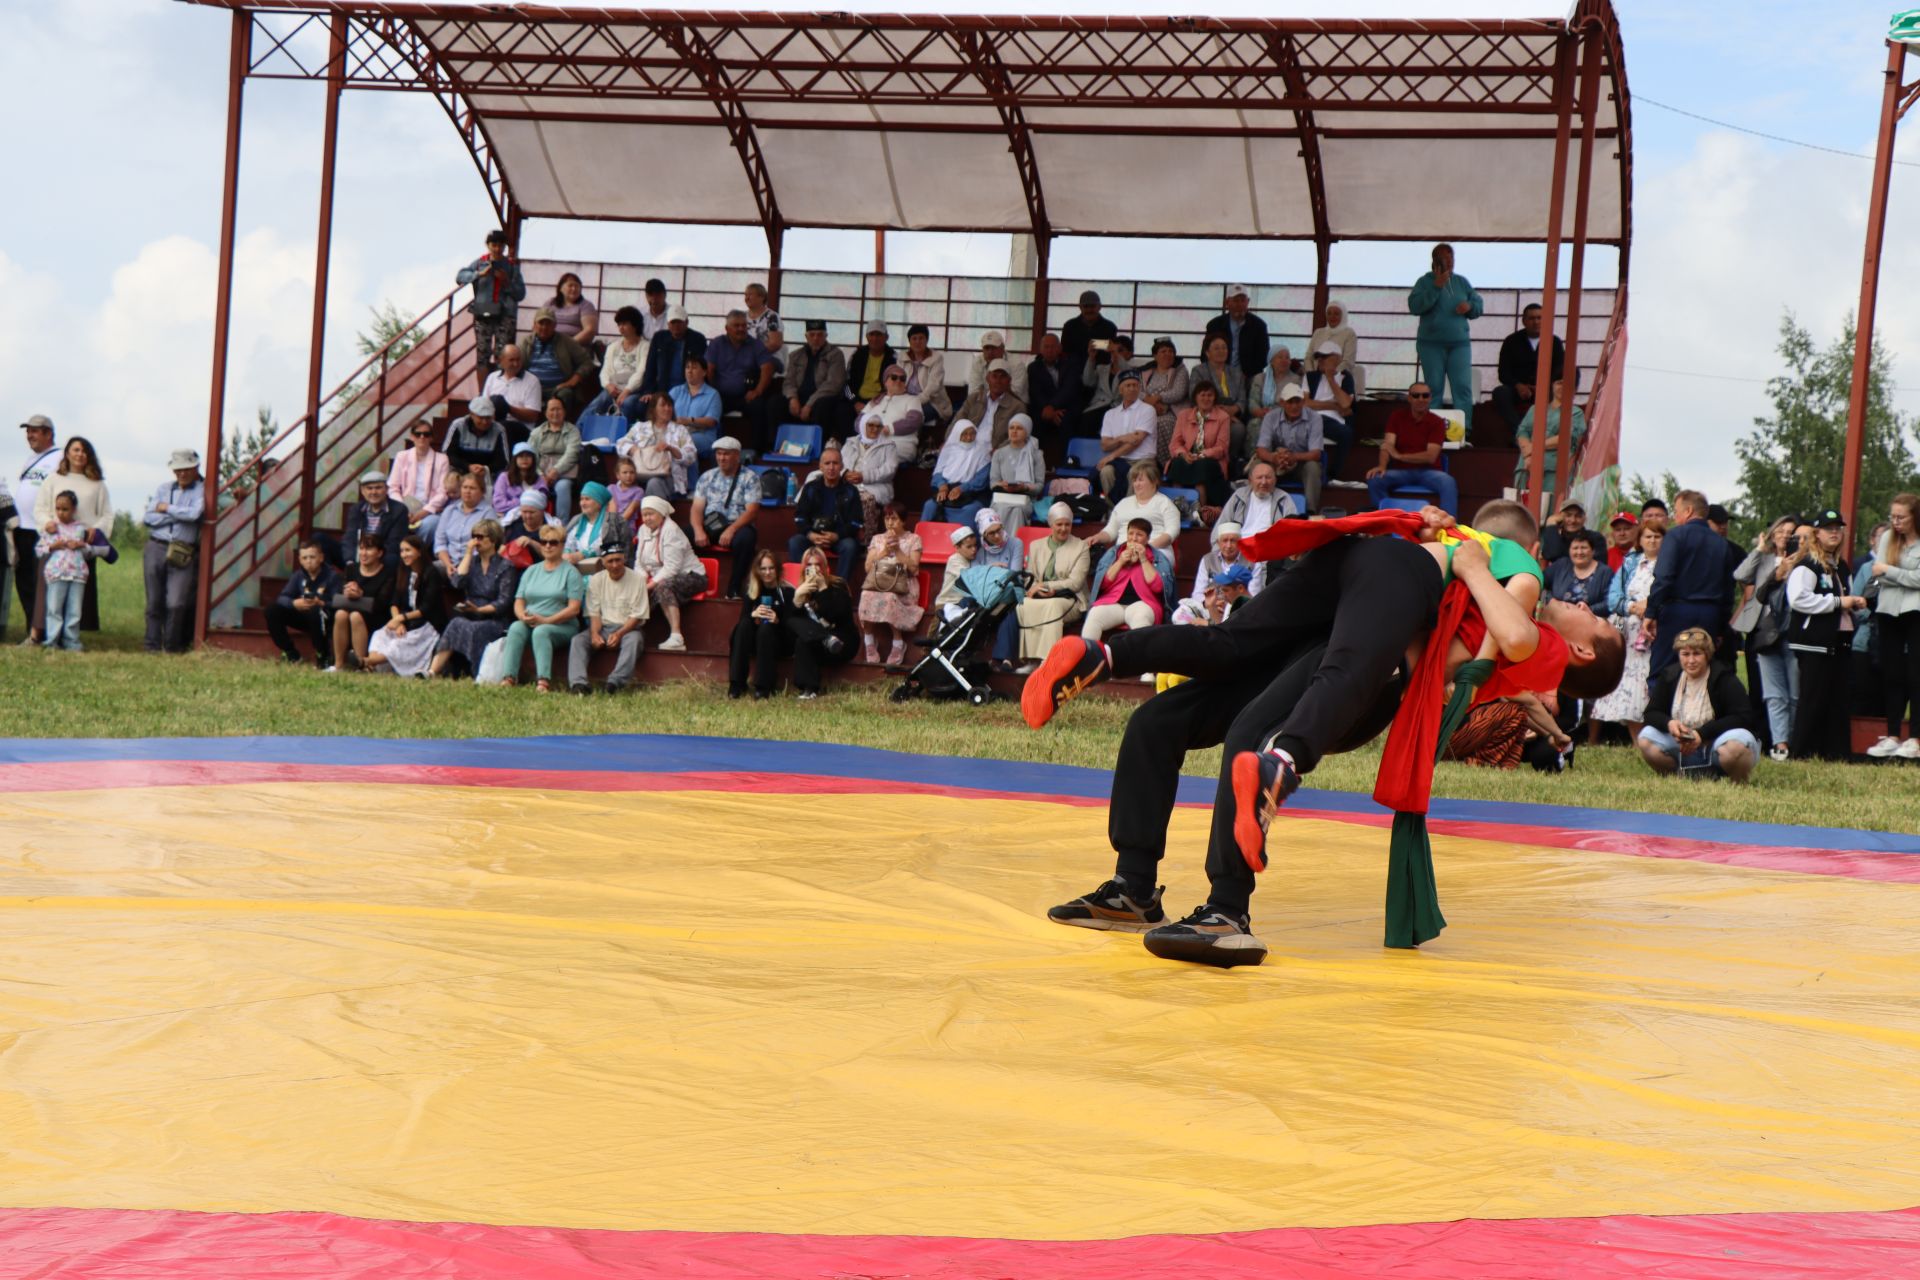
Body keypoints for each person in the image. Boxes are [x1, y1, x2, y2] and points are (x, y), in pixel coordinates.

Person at [1027, 506, 1623, 965]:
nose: (1579, 600)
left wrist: (1460, 562)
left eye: (1594, 616)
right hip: (1360, 612)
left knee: (1214, 689)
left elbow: (1486, 645)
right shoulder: (1509, 586)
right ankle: (1150, 888)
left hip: (1353, 579)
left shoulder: (1515, 593)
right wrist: (1459, 566)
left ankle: (1113, 653)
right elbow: (1450, 658)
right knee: (1211, 726)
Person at [1786, 510, 1865, 760]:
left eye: (1838, 528)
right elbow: (1798, 599)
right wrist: (1839, 602)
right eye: (1828, 528)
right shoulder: (1807, 564)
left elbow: (1845, 597)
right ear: (1816, 534)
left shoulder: (1841, 565)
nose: (1834, 533)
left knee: (1839, 698)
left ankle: (1836, 752)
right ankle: (1801, 751)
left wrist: (1855, 603)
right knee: (1813, 698)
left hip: (1840, 639)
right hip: (1814, 642)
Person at [1637, 629, 1760, 783]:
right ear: (1678, 655)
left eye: (1697, 654)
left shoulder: (1724, 677)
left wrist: (1702, 734)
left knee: (1739, 744)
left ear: (1707, 655)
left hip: (1716, 743)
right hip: (1682, 745)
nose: (1691, 660)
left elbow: (1744, 717)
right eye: (1685, 654)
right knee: (1646, 738)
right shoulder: (1669, 676)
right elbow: (1651, 713)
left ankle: (1739, 782)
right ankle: (1677, 777)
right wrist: (1669, 723)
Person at [1645, 489, 1732, 677]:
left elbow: (1664, 578)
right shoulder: (1721, 544)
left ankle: (1662, 706)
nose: (1675, 516)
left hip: (1677, 612)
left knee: (1664, 673)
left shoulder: (1675, 536)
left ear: (1689, 510)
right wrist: (1721, 627)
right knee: (1701, 672)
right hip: (1710, 614)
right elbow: (1728, 590)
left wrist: (1650, 612)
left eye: (1676, 511)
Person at [1734, 515, 1801, 757]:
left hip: (1790, 628)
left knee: (1792, 689)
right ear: (1772, 534)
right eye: (1780, 531)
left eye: (1790, 532)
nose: (1784, 536)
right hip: (1761, 629)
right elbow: (1740, 576)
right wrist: (1759, 549)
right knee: (1761, 687)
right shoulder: (1764, 558)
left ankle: (1788, 740)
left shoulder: (1802, 560)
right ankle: (1764, 737)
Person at [1593, 521, 1664, 739]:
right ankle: (1636, 740)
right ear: (1640, 540)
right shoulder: (1631, 562)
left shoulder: (1669, 563)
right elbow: (1614, 598)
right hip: (1630, 632)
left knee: (1651, 683)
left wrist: (1651, 608)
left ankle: (1655, 736)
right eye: (1648, 536)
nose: (1652, 541)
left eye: (1656, 536)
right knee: (1629, 684)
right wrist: (1633, 607)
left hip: (1657, 631)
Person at [500, 521, 586, 691]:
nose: (547, 546)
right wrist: (522, 616)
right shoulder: (531, 570)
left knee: (541, 632)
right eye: (544, 542)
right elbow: (519, 600)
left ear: (562, 546)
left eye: (553, 542)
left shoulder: (571, 572)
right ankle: (509, 677)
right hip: (532, 619)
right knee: (516, 628)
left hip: (562, 624)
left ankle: (543, 681)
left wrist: (547, 620)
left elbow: (574, 609)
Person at [1407, 242, 1483, 434]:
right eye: (1444, 259)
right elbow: (1415, 306)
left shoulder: (1461, 282)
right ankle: (1431, 431)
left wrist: (1470, 307)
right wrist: (1436, 287)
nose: (1449, 263)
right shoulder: (1424, 282)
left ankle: (1463, 431)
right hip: (1431, 344)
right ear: (1434, 261)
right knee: (1433, 388)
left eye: (1451, 259)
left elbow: (1478, 303)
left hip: (1459, 344)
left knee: (1463, 387)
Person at [1868, 493, 1920, 758]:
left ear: (1915, 517)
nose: (1895, 522)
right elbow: (1876, 572)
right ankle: (1891, 734)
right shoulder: (1888, 537)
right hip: (1888, 610)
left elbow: (1889, 572)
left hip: (1915, 611)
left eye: (1901, 517)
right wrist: (1902, 576)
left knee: (1916, 674)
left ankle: (1915, 737)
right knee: (1892, 674)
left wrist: (1890, 572)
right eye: (1893, 517)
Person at [430, 518, 516, 679]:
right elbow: (457, 582)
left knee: (476, 629)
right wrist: (468, 554)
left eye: (480, 537)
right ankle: (432, 671)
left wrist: (480, 610)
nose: (475, 541)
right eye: (474, 536)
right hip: (470, 612)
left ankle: (478, 674)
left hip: (494, 618)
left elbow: (504, 601)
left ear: (493, 540)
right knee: (456, 623)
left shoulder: (506, 567)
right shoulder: (472, 562)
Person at [140, 447, 205, 654]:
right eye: (178, 470)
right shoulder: (163, 488)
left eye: (186, 469)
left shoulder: (202, 489)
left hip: (183, 549)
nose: (182, 474)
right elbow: (149, 518)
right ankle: (151, 644)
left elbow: (195, 514)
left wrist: (167, 508)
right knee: (154, 601)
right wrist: (179, 514)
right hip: (156, 546)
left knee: (176, 602)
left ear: (195, 468)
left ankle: (172, 645)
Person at [1014, 502, 1092, 669]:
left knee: (1053, 605)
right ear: (1051, 524)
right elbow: (1031, 577)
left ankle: (1048, 660)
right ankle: (1031, 660)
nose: (1063, 528)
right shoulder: (1036, 546)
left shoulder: (1081, 547)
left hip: (1071, 598)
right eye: (1059, 524)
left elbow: (1075, 583)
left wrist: (1048, 586)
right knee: (1024, 604)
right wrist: (1039, 590)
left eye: (1067, 524)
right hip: (1041, 595)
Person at [568, 542, 649, 695]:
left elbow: (637, 616)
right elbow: (594, 613)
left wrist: (619, 634)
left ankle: (615, 683)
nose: (615, 565)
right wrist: (594, 634)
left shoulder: (637, 579)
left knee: (634, 640)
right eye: (610, 561)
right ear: (603, 563)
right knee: (578, 640)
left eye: (618, 560)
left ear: (624, 559)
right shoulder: (596, 580)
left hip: (628, 629)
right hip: (603, 627)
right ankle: (579, 684)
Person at [1364, 382, 1456, 514]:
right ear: (1409, 398)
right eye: (1416, 395)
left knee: (1448, 482)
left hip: (1429, 472)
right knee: (1375, 479)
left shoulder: (1437, 422)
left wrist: (1400, 456)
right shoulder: (1396, 416)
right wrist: (1382, 466)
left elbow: (1430, 457)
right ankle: (1387, 521)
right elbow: (1387, 445)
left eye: (1425, 396)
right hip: (1401, 471)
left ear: (1430, 398)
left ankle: (1449, 528)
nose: (1421, 399)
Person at [365, 535, 450, 678]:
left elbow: (426, 608)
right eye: (402, 551)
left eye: (408, 550)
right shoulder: (403, 571)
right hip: (405, 620)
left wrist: (401, 618)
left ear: (419, 552)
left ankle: (365, 661)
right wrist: (398, 622)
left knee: (397, 646)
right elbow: (394, 603)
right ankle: (371, 665)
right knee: (380, 635)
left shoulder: (431, 573)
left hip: (426, 624)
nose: (404, 554)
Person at [689, 437, 762, 598]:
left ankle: (734, 589)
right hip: (710, 524)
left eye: (726, 454)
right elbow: (696, 508)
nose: (721, 458)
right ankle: (688, 583)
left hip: (737, 526)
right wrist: (698, 530)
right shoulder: (707, 476)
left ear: (737, 456)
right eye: (719, 454)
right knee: (680, 534)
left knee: (746, 539)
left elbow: (752, 511)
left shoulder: (750, 478)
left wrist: (731, 529)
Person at [1082, 516, 1175, 643]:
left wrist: (1143, 559)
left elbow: (1158, 587)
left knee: (1140, 620)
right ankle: (1089, 657)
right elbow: (1102, 585)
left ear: (1147, 539)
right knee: (1094, 615)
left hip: (1143, 603)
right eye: (1131, 533)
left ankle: (1140, 661)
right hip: (1114, 603)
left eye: (1139, 534)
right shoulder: (1114, 553)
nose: (1134, 538)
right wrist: (1120, 562)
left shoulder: (1157, 557)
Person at [632, 494, 705, 652]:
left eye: (651, 514)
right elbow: (639, 562)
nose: (647, 518)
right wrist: (643, 580)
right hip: (659, 576)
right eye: (644, 514)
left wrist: (649, 585)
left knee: (662, 587)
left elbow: (672, 568)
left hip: (692, 575)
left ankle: (676, 637)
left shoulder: (671, 530)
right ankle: (631, 631)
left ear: (661, 514)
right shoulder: (643, 530)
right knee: (634, 587)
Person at [785, 544, 857, 699]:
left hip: (841, 642)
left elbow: (836, 615)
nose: (814, 569)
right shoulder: (800, 589)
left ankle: (826, 639)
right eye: (809, 565)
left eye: (818, 565)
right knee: (799, 633)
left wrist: (823, 588)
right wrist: (798, 599)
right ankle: (809, 689)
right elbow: (790, 623)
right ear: (803, 568)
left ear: (825, 567)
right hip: (818, 641)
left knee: (805, 637)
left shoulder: (839, 585)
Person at [1214, 462, 1298, 593]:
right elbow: (1219, 530)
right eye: (1259, 477)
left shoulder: (1284, 499)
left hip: (1268, 557)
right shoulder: (1238, 497)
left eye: (1268, 477)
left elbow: (1293, 533)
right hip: (1237, 553)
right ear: (1250, 480)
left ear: (1275, 480)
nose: (1264, 482)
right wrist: (1219, 557)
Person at [12, 414, 60, 642]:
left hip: (42, 530)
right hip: (22, 528)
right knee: (23, 582)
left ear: (48, 433)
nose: (30, 435)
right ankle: (31, 628)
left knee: (39, 582)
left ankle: (44, 630)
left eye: (35, 431)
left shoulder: (59, 457)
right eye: (28, 431)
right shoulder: (30, 459)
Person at [857, 503, 924, 667]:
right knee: (866, 595)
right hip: (879, 581)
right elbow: (867, 567)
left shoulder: (914, 539)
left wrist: (899, 551)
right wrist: (884, 552)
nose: (890, 522)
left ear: (903, 521)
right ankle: (869, 641)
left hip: (904, 585)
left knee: (889, 597)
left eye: (894, 518)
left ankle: (898, 643)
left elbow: (914, 569)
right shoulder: (877, 539)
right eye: (887, 518)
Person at [457, 230, 526, 385]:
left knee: (502, 354)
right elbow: (460, 276)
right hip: (483, 313)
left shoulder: (511, 266)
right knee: (482, 355)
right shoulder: (479, 263)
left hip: (505, 315)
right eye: (494, 245)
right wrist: (479, 274)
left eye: (500, 245)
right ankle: (482, 395)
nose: (497, 249)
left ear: (505, 247)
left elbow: (521, 293)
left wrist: (506, 281)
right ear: (487, 245)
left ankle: (499, 390)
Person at [789, 445, 863, 580]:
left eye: (835, 463)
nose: (831, 467)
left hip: (839, 538)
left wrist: (836, 536)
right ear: (820, 467)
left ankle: (839, 588)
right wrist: (810, 534)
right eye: (827, 463)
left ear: (842, 466)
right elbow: (799, 517)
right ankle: (802, 584)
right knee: (795, 542)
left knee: (850, 546)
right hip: (813, 535)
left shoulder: (851, 491)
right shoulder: (810, 488)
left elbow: (856, 522)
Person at [266, 539, 342, 667]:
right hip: (303, 615)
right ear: (300, 560)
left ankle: (322, 655)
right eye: (305, 558)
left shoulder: (332, 576)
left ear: (321, 558)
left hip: (325, 618)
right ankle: (291, 653)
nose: (309, 561)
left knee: (314, 611)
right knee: (272, 610)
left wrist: (321, 603)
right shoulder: (298, 576)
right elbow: (282, 597)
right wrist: (294, 603)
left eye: (312, 557)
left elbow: (338, 602)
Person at [707, 309, 776, 447]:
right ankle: (714, 448)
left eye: (744, 326)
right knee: (709, 406)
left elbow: (768, 367)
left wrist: (757, 391)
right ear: (727, 328)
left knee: (759, 405)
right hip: (720, 395)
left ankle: (757, 450)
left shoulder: (755, 344)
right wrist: (711, 392)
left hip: (745, 395)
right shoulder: (716, 343)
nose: (741, 329)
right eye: (736, 326)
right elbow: (708, 369)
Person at [728, 549, 792, 699]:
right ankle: (737, 683)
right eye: (763, 569)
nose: (767, 572)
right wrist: (753, 615)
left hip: (779, 641)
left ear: (777, 569)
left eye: (771, 568)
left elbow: (791, 625)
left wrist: (777, 620)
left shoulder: (787, 591)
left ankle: (764, 686)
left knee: (766, 628)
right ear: (757, 570)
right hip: (755, 641)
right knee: (743, 626)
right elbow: (743, 619)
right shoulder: (752, 590)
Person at [34, 490, 94, 651]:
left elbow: (90, 552)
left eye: (65, 509)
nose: (61, 513)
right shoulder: (52, 528)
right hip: (56, 572)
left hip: (77, 573)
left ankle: (71, 641)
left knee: (74, 610)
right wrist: (53, 546)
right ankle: (52, 640)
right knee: (54, 608)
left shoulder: (81, 529)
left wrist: (81, 545)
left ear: (74, 509)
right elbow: (39, 550)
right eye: (58, 509)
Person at [969, 507, 1027, 671]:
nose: (997, 536)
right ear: (983, 535)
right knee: (969, 604)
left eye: (999, 530)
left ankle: (1006, 660)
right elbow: (975, 577)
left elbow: (1014, 573)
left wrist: (988, 574)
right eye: (991, 533)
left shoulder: (1015, 543)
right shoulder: (977, 550)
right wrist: (992, 569)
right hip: (985, 594)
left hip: (1008, 591)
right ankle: (966, 653)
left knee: (1010, 609)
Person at [1253, 385, 1326, 514]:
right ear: (1282, 403)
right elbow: (1261, 449)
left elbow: (1316, 454)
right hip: (1277, 463)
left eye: (1297, 401)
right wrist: (1274, 458)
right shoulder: (1271, 417)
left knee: (1313, 467)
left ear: (1303, 402)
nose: (1294, 406)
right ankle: (1258, 507)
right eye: (1290, 402)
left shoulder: (1315, 418)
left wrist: (1294, 457)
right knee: (1259, 466)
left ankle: (1310, 511)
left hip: (1301, 464)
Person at [1492, 303, 1565, 432]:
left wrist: (1544, 386)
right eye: (1531, 318)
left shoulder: (1555, 342)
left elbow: (1560, 371)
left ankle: (1544, 434)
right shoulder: (1511, 341)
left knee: (1556, 394)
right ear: (1524, 321)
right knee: (1500, 393)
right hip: (1518, 389)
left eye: (1539, 318)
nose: (1536, 322)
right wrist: (1518, 385)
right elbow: (1503, 372)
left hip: (1546, 389)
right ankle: (1520, 431)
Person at [329, 533, 396, 673]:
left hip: (376, 616)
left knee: (355, 616)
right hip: (352, 610)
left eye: (369, 549)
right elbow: (340, 594)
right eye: (361, 548)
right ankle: (338, 665)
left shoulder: (388, 573)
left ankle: (361, 665)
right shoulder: (351, 569)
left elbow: (382, 603)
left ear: (379, 553)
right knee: (341, 614)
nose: (364, 553)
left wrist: (361, 595)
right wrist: (347, 592)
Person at [1512, 379, 1586, 503]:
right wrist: (1527, 455)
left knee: (1549, 512)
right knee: (1520, 512)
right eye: (1559, 383)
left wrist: (1534, 447)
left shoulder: (1576, 413)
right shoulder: (1535, 409)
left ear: (1575, 389)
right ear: (1552, 385)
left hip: (1553, 470)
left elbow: (1566, 437)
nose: (1562, 387)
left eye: (1567, 384)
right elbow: (1522, 431)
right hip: (1526, 466)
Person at [1165, 381, 1232, 515]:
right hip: (1187, 457)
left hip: (1211, 459)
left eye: (1210, 395)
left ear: (1215, 398)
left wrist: (1202, 454)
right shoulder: (1184, 415)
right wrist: (1184, 454)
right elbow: (1175, 443)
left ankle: (1200, 511)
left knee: (1202, 466)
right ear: (1195, 397)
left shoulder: (1223, 417)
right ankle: (1176, 509)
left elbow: (1222, 447)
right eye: (1202, 395)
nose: (1206, 399)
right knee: (1178, 463)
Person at [517, 309, 597, 419]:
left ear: (555, 325)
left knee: (566, 394)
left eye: (548, 323)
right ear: (534, 324)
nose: (544, 327)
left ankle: (559, 429)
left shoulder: (566, 341)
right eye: (541, 323)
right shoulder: (526, 342)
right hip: (531, 387)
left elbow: (587, 362)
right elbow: (515, 362)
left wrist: (571, 382)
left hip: (558, 388)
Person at [616, 395, 698, 500]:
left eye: (670, 406)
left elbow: (691, 455)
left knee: (654, 483)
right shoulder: (640, 427)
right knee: (623, 484)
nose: (667, 409)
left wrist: (671, 449)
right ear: (653, 409)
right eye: (663, 405)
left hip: (669, 477)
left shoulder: (680, 430)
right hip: (639, 473)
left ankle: (655, 514)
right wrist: (634, 450)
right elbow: (620, 444)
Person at [388, 419, 452, 551]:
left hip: (428, 511)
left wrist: (424, 512)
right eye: (418, 434)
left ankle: (415, 553)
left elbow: (443, 492)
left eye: (426, 434)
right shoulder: (402, 456)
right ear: (412, 437)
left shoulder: (442, 459)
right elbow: (393, 487)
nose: (422, 437)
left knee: (432, 524)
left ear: (431, 438)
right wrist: (403, 509)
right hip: (404, 508)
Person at [1095, 367, 1157, 502]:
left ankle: (1130, 514)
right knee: (1106, 472)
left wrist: (1111, 455)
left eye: (1135, 385)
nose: (1132, 388)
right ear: (1120, 389)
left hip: (1143, 460)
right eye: (1128, 385)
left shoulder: (1148, 410)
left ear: (1139, 388)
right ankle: (1113, 511)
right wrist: (1123, 438)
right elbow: (1105, 445)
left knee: (1133, 473)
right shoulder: (1110, 414)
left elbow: (1136, 441)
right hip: (1121, 460)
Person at [784, 319, 852, 441]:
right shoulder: (795, 355)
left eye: (820, 335)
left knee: (822, 406)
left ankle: (817, 446)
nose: (816, 338)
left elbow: (833, 384)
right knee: (775, 403)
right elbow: (789, 381)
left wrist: (809, 404)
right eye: (812, 335)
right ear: (806, 336)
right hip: (799, 397)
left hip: (822, 398)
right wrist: (792, 398)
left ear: (826, 336)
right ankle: (774, 445)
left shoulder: (835, 354)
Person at [1094, 460, 1181, 552]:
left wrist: (1146, 549)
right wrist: (1096, 538)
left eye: (1140, 480)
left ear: (1154, 481)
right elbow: (1110, 531)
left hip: (1155, 552)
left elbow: (1172, 532)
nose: (1136, 484)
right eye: (1134, 480)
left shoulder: (1165, 503)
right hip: (1123, 552)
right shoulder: (1123, 503)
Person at [636, 306, 708, 411]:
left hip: (688, 390)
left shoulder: (697, 339)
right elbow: (650, 368)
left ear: (686, 322)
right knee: (641, 406)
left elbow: (702, 368)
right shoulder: (659, 338)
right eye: (672, 322)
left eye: (679, 322)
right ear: (668, 324)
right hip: (662, 390)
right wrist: (648, 391)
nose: (676, 326)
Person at [922, 418, 991, 526]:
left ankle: (967, 542)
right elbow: (938, 473)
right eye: (964, 434)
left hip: (972, 494)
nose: (969, 437)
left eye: (972, 434)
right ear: (957, 435)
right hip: (947, 490)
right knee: (930, 505)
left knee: (970, 510)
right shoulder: (948, 449)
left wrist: (962, 488)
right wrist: (942, 485)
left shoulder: (982, 451)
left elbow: (981, 480)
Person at [843, 411, 903, 533]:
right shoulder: (850, 443)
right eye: (870, 425)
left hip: (875, 487)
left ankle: (866, 539)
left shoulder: (888, 446)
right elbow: (840, 462)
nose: (875, 429)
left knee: (863, 499)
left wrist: (864, 476)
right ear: (863, 425)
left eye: (878, 426)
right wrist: (845, 474)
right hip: (848, 483)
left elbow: (889, 470)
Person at [526, 397, 584, 524]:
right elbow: (530, 456)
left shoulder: (572, 431)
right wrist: (541, 476)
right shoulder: (536, 433)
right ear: (546, 413)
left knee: (563, 487)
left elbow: (572, 454)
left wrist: (555, 472)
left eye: (559, 409)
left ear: (564, 412)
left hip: (564, 473)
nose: (555, 413)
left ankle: (561, 526)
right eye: (552, 409)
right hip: (540, 474)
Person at [586, 305, 649, 422]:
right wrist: (608, 385)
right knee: (599, 402)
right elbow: (605, 371)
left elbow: (641, 372)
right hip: (613, 389)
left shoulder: (645, 346)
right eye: (619, 324)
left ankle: (621, 437)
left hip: (634, 391)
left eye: (624, 324)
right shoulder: (613, 347)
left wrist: (626, 391)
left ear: (635, 325)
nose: (621, 328)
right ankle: (578, 431)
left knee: (627, 403)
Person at [859, 365, 926, 465]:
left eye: (902, 379)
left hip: (898, 444)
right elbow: (858, 422)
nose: (898, 381)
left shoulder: (912, 400)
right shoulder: (875, 401)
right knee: (847, 453)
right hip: (870, 443)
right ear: (885, 382)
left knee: (871, 458)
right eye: (894, 377)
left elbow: (914, 421)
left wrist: (889, 429)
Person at [1203, 284, 1271, 382]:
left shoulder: (1259, 326)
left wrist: (1246, 374)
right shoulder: (1215, 325)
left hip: (1248, 377)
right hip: (1217, 375)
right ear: (1227, 302)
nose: (1240, 304)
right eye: (1236, 300)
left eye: (1243, 300)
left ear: (1248, 302)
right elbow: (1205, 355)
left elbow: (1264, 357)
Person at [561, 480, 629, 577]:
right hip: (577, 570)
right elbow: (569, 543)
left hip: (605, 572)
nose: (582, 503)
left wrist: (581, 555)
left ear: (599, 503)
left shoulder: (613, 521)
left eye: (587, 499)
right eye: (581, 499)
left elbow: (605, 542)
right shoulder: (577, 520)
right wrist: (567, 554)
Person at [989, 413, 1046, 529]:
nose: (1014, 431)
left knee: (1017, 511)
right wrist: (1001, 485)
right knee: (1001, 509)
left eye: (1019, 428)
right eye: (1011, 428)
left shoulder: (1036, 455)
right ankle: (1000, 545)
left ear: (1027, 432)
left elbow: (1039, 485)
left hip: (1024, 499)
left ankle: (1015, 546)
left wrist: (1024, 487)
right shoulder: (999, 453)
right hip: (1002, 498)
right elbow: (992, 483)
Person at [1139, 337, 1190, 465]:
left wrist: (1157, 398)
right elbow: (1137, 391)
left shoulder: (1180, 370)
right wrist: (1148, 401)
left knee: (1161, 423)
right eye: (1163, 351)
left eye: (1170, 351)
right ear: (1155, 355)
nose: (1168, 354)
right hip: (1147, 410)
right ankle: (1144, 462)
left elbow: (1178, 392)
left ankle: (1167, 463)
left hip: (1172, 412)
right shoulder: (1145, 372)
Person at [1027, 333, 1080, 453]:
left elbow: (1069, 389)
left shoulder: (1070, 364)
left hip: (1064, 406)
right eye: (1046, 347)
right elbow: (1035, 391)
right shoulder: (1033, 367)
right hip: (1043, 407)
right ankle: (1035, 459)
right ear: (1040, 349)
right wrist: (1046, 408)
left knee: (1066, 420)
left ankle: (1067, 460)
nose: (1050, 350)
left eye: (1053, 347)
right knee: (1034, 420)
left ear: (1059, 348)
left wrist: (1052, 407)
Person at [1190, 333, 1249, 442]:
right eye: (1216, 348)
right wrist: (1220, 413)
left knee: (1238, 429)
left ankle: (1230, 458)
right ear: (1207, 353)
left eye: (1224, 348)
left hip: (1232, 414)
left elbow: (1242, 399)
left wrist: (1234, 409)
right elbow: (1194, 396)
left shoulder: (1236, 372)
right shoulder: (1199, 371)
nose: (1221, 351)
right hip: (1207, 413)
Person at [1301, 342, 1355, 460]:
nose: (1320, 360)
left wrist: (1330, 378)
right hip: (1312, 417)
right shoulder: (1310, 376)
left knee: (1346, 434)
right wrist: (1335, 406)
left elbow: (1345, 404)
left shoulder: (1345, 377)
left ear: (1337, 359)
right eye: (1318, 357)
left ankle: (1333, 474)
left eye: (1324, 357)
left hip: (1335, 421)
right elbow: (1305, 403)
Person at [432, 471, 493, 576]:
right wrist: (448, 565)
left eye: (472, 488)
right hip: (449, 562)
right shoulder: (449, 510)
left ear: (482, 492)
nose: (467, 491)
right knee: (426, 570)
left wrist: (463, 565)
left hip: (474, 564)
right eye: (465, 487)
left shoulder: (488, 513)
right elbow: (440, 543)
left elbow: (486, 546)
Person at [957, 358, 1027, 450]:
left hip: (995, 453)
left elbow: (1018, 436)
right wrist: (948, 441)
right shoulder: (974, 399)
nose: (998, 381)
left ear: (1009, 380)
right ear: (987, 379)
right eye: (994, 376)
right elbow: (957, 422)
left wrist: (1000, 451)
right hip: (967, 446)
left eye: (1003, 377)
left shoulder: (1017, 407)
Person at [342, 470, 407, 567]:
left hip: (382, 556)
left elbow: (394, 543)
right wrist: (351, 561)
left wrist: (371, 556)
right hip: (359, 554)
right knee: (321, 540)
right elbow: (350, 538)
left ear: (386, 489)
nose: (374, 492)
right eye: (369, 488)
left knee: (393, 558)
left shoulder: (399, 510)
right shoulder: (356, 509)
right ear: (362, 491)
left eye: (378, 488)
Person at [1183, 522, 1254, 612]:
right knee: (1180, 614)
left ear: (1240, 543)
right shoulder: (1207, 559)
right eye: (1225, 540)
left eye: (1233, 541)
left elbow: (1254, 593)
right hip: (1210, 608)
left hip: (1239, 610)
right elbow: (1197, 594)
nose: (1228, 546)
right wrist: (1213, 605)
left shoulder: (1251, 560)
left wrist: (1228, 607)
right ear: (1218, 543)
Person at [1080, 333, 1141, 435]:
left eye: (1120, 350)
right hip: (1100, 405)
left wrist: (1115, 352)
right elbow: (1088, 381)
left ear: (1130, 354)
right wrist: (1091, 358)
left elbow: (1127, 372)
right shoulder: (1101, 368)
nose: (1114, 353)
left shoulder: (1132, 370)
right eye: (1112, 350)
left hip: (1119, 407)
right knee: (1086, 420)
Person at [669, 353, 724, 464]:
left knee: (685, 443)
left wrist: (688, 421)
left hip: (702, 436)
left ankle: (689, 480)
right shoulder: (676, 391)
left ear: (704, 372)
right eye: (687, 367)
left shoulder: (712, 394)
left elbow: (711, 421)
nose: (689, 371)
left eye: (694, 368)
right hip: (676, 433)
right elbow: (661, 411)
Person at [901, 324, 951, 436]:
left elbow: (934, 386)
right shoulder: (902, 357)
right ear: (909, 341)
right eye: (914, 338)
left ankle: (911, 445)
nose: (917, 342)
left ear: (926, 340)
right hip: (906, 400)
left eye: (921, 338)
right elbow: (897, 381)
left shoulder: (936, 358)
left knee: (912, 416)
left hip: (932, 402)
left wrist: (913, 402)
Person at [483, 343, 544, 435]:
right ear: (501, 361)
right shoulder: (492, 377)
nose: (516, 364)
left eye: (518, 360)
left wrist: (508, 408)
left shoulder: (532, 381)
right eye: (511, 360)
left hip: (521, 427)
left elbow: (533, 416)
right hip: (493, 423)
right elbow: (483, 406)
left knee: (501, 420)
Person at [444, 396, 510, 480]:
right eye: (481, 417)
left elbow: (503, 460)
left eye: (488, 418)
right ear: (471, 414)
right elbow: (448, 454)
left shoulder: (499, 430)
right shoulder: (458, 425)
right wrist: (468, 466)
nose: (485, 422)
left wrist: (486, 469)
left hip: (487, 475)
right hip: (460, 471)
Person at [1546, 530, 1613, 611]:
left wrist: (1588, 610)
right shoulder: (1561, 565)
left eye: (1584, 548)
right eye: (1575, 548)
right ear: (1569, 551)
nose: (1579, 552)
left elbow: (1610, 602)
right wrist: (1551, 600)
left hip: (1589, 620)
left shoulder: (1605, 572)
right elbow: (1540, 581)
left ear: (1593, 551)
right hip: (1557, 617)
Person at [1060, 289, 1117, 373]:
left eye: (1092, 306)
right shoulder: (1069, 326)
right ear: (1080, 307)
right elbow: (1064, 352)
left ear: (1099, 307)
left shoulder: (1110, 327)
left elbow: (1112, 351)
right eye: (1086, 306)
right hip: (1074, 373)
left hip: (1101, 373)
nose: (1089, 310)